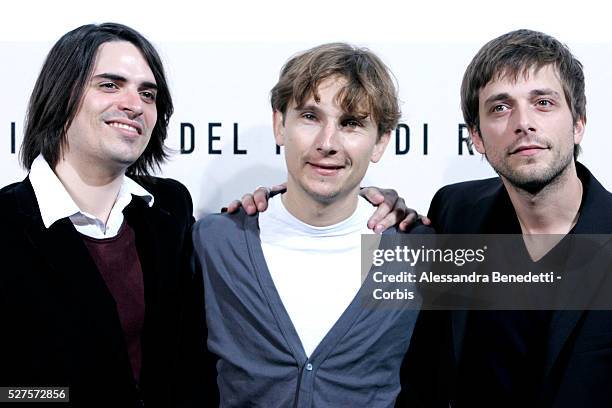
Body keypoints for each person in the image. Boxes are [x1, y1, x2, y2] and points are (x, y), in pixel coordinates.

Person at [193, 42, 431, 406]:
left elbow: (545, 284)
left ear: (381, 142)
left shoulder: (419, 251)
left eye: (351, 123)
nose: (327, 143)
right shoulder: (214, 241)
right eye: (310, 117)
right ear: (279, 124)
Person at [401, 29, 612, 407]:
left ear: (578, 122)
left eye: (543, 103)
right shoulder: (455, 211)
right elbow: (425, 369)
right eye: (500, 107)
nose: (523, 122)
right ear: (477, 138)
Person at [0, 23, 204, 407]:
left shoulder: (170, 209)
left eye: (148, 93)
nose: (135, 104)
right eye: (110, 85)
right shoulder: (5, 224)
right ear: (61, 94)